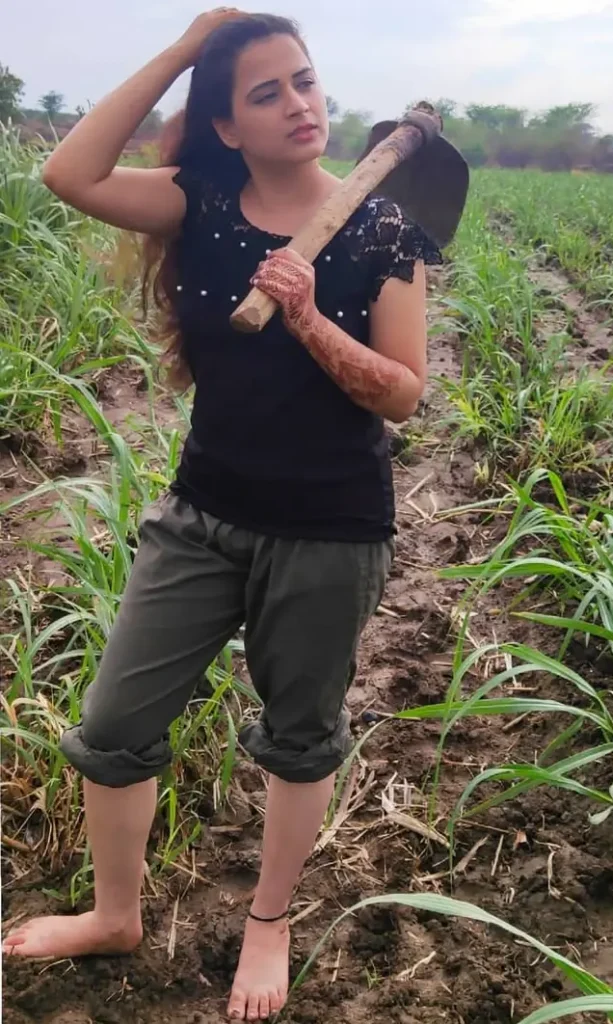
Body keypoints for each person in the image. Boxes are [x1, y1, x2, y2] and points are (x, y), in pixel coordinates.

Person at [3, 8, 441, 1020]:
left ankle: (268, 919)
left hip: (329, 531)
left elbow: (401, 392)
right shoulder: (198, 199)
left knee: (297, 735)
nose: (298, 103)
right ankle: (116, 913)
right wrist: (179, 52)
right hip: (201, 514)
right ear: (227, 126)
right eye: (264, 92)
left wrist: (305, 314)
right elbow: (66, 175)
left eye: (304, 80)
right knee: (113, 727)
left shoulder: (386, 230)